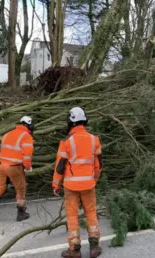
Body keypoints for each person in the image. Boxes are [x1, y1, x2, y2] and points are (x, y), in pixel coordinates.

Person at [52, 107, 103, 258]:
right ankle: (94, 247)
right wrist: (95, 179)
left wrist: (56, 184)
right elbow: (98, 164)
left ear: (70, 121)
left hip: (71, 186)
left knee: (72, 216)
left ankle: (74, 250)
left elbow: (59, 166)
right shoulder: (94, 140)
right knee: (91, 213)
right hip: (88, 184)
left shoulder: (66, 142)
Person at [0, 116, 35, 222]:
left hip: (2, 165)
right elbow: (27, 155)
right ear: (29, 126)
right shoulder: (26, 136)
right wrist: (28, 167)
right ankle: (21, 212)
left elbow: (4, 150)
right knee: (21, 188)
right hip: (14, 166)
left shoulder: (7, 134)